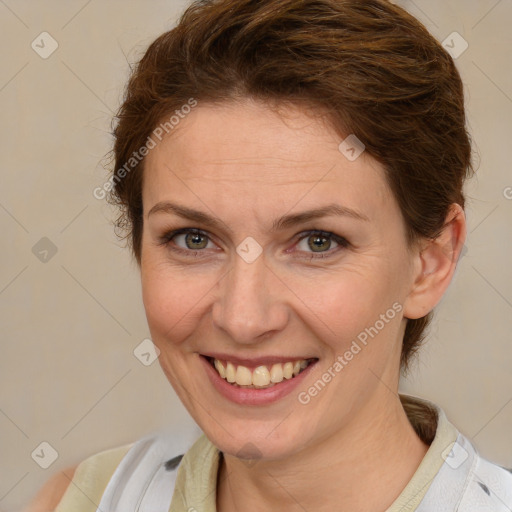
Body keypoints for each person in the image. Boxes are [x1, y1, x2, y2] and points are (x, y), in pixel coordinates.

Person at [27, 0, 512, 510]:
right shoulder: (80, 499)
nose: (243, 318)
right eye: (194, 238)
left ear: (430, 263)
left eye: (317, 242)